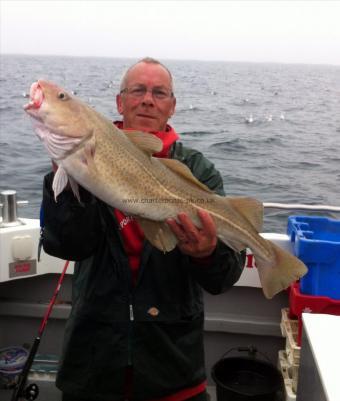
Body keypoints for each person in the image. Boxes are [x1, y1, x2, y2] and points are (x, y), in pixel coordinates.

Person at [42, 57, 245, 401]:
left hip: (174, 367)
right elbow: (67, 245)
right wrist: (71, 175)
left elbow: (223, 277)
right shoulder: (88, 154)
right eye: (137, 90)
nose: (147, 99)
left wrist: (207, 255)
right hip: (94, 365)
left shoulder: (197, 170)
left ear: (172, 106)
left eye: (159, 92)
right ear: (120, 102)